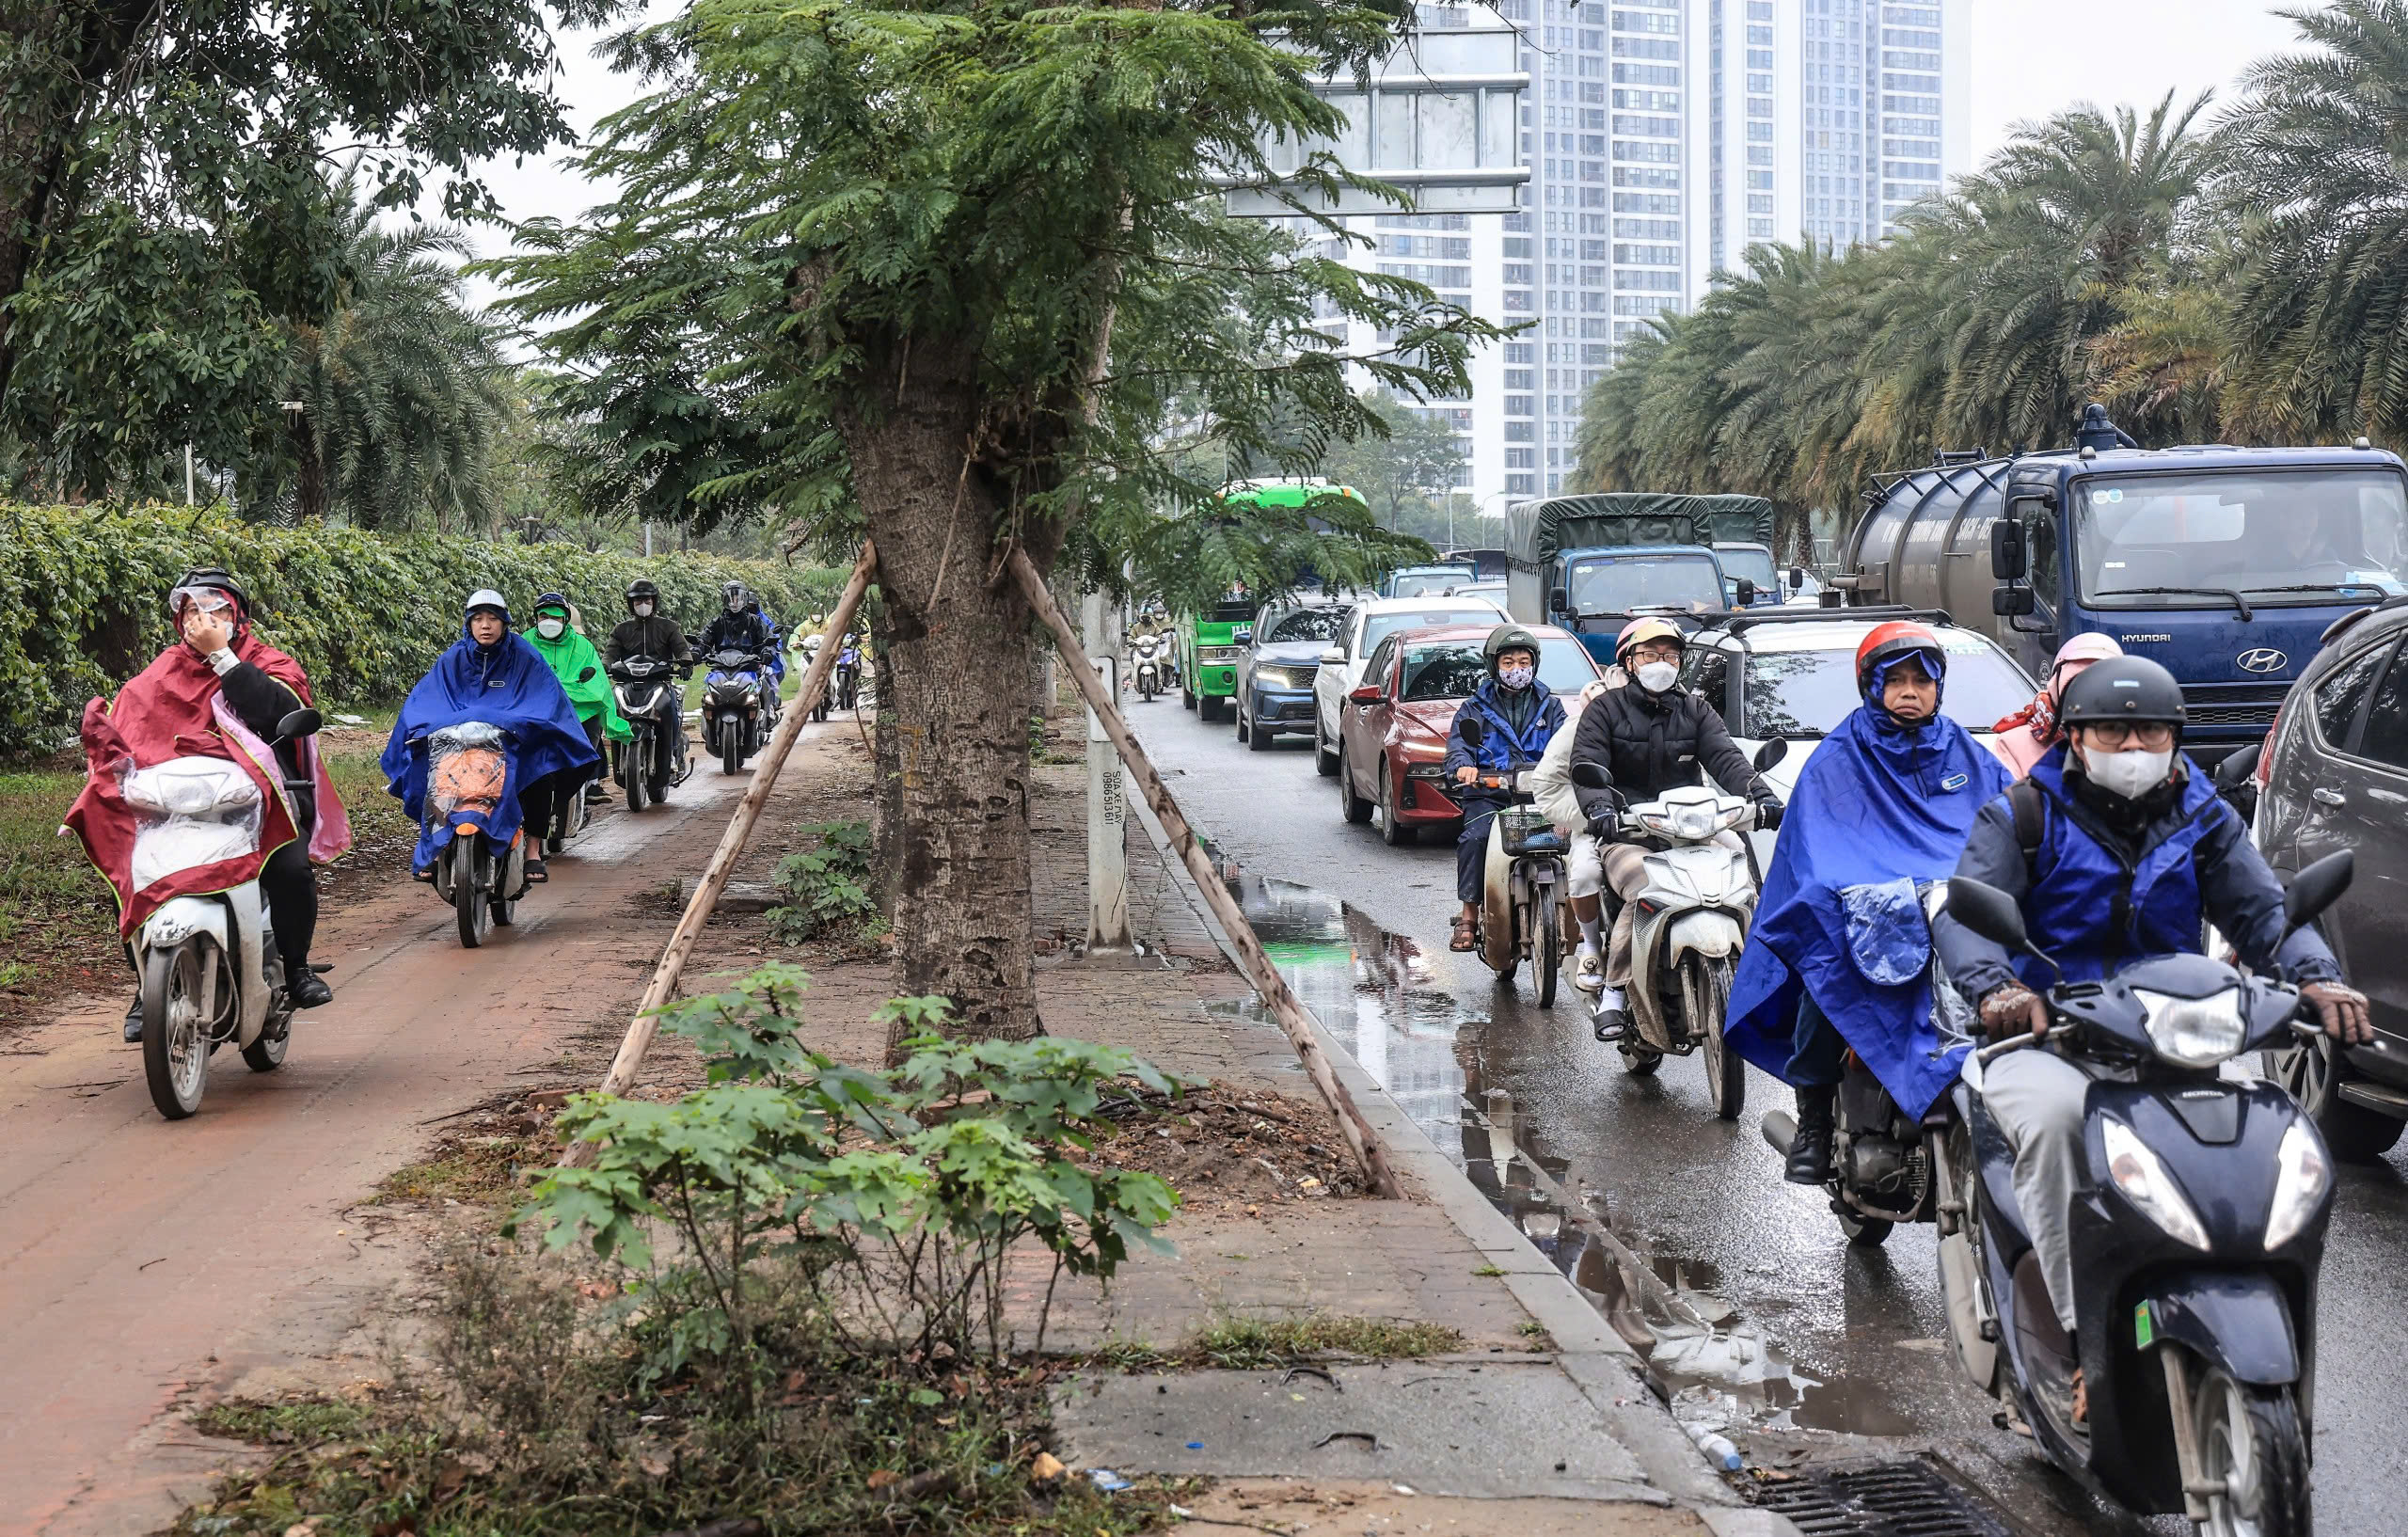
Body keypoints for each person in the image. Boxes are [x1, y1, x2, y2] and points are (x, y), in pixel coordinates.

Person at [1933, 656, 2368, 1418]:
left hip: (2170, 1028)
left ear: (2175, 738)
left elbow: (2264, 913)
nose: (2132, 747)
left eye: (2151, 731)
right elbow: (1966, 914)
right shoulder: (2022, 816)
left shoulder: (2205, 817)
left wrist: (2315, 973)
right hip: (2050, 1034)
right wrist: (1998, 989)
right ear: (2074, 738)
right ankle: (2075, 1340)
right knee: (2060, 1129)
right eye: (2112, 729)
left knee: (2270, 1133)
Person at [1722, 622, 2012, 1182]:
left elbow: (2010, 830)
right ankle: (1813, 1121)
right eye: (1896, 680)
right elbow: (1816, 854)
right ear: (1870, 686)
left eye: (1922, 681)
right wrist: (1859, 898)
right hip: (1866, 910)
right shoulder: (1836, 759)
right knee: (1824, 972)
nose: (1910, 691)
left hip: (1959, 910)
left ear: (1939, 687)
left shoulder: (1971, 758)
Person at [68, 568, 353, 1037]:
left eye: (214, 608)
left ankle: (297, 969)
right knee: (131, 872)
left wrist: (223, 659)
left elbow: (278, 710)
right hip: (175, 811)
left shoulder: (268, 662)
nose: (201, 618)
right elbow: (126, 732)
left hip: (261, 806)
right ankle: (148, 985)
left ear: (237, 617)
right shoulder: (158, 674)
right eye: (191, 610)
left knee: (291, 870)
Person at [1566, 618, 1781, 1038]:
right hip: (1629, 831)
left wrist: (1764, 797)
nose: (1660, 663)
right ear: (1629, 661)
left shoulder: (1696, 709)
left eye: (1669, 655)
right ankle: (1614, 991)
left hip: (1696, 827)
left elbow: (1727, 759)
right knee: (1644, 891)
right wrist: (1601, 809)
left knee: (1745, 877)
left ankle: (1763, 975)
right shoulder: (1603, 711)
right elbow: (1584, 766)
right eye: (1650, 654)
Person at [385, 592, 599, 885]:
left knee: (538, 771)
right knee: (429, 768)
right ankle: (435, 849)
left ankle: (533, 851)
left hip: (512, 742)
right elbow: (426, 700)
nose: (486, 625)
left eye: (493, 618)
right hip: (458, 744)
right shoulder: (452, 659)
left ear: (504, 622)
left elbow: (546, 699)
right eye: (478, 619)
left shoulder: (525, 658)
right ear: (469, 624)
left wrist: (518, 723)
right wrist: (425, 728)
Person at [1442, 626, 1567, 952]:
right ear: (1495, 666)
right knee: (1475, 839)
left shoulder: (1551, 707)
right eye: (1508, 663)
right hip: (1489, 794)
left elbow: (1568, 744)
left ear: (1534, 664)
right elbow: (1457, 747)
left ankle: (1578, 917)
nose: (1516, 670)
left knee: (1577, 839)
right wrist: (1464, 766)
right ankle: (1469, 913)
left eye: (1523, 662)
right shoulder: (1474, 708)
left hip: (1541, 795)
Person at [1531, 673, 1622, 992]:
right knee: (1583, 875)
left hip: (1661, 822)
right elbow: (1545, 786)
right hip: (1595, 822)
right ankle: (1593, 948)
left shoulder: (1677, 711)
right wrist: (1594, 815)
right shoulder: (1585, 724)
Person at [525, 592, 626, 807]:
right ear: (536, 618)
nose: (549, 622)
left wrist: (565, 692)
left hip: (576, 710)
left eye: (555, 617)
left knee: (592, 724)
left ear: (565, 619)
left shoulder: (583, 646)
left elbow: (596, 685)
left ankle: (589, 780)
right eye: (544, 617)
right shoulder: (523, 643)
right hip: (534, 710)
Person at [1988, 633, 2121, 779]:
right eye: (2075, 685)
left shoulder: (2132, 740)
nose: (2088, 697)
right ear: (2057, 686)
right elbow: (2005, 797)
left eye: (2102, 686)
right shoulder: (2013, 745)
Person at [604, 578, 694, 775]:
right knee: (611, 709)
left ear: (654, 602)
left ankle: (671, 753)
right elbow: (610, 653)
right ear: (631, 604)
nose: (642, 605)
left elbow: (682, 649)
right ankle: (617, 755)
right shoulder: (621, 629)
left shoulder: (669, 627)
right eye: (638, 602)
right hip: (627, 684)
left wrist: (686, 662)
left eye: (647, 601)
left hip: (659, 682)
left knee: (670, 708)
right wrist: (604, 665)